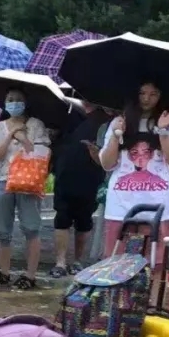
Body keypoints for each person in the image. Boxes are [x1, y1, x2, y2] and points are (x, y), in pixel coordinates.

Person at [98, 81, 169, 271]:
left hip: (158, 202)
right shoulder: (119, 122)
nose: (146, 99)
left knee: (155, 262)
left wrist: (163, 131)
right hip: (121, 203)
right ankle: (120, 291)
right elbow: (107, 164)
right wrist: (115, 136)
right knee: (116, 263)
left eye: (153, 94)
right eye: (142, 93)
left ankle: (152, 291)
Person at [0, 90, 50, 290]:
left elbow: (40, 153)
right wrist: (10, 135)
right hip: (2, 180)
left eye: (19, 100)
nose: (14, 103)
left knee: (31, 228)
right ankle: (4, 272)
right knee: (2, 230)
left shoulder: (36, 125)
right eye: (10, 100)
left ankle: (30, 275)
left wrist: (23, 138)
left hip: (28, 182)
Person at [49, 100, 109, 277]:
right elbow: (56, 141)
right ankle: (60, 262)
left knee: (84, 220)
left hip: (91, 176)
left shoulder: (104, 118)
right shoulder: (66, 113)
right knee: (62, 217)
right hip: (65, 174)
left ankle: (77, 261)